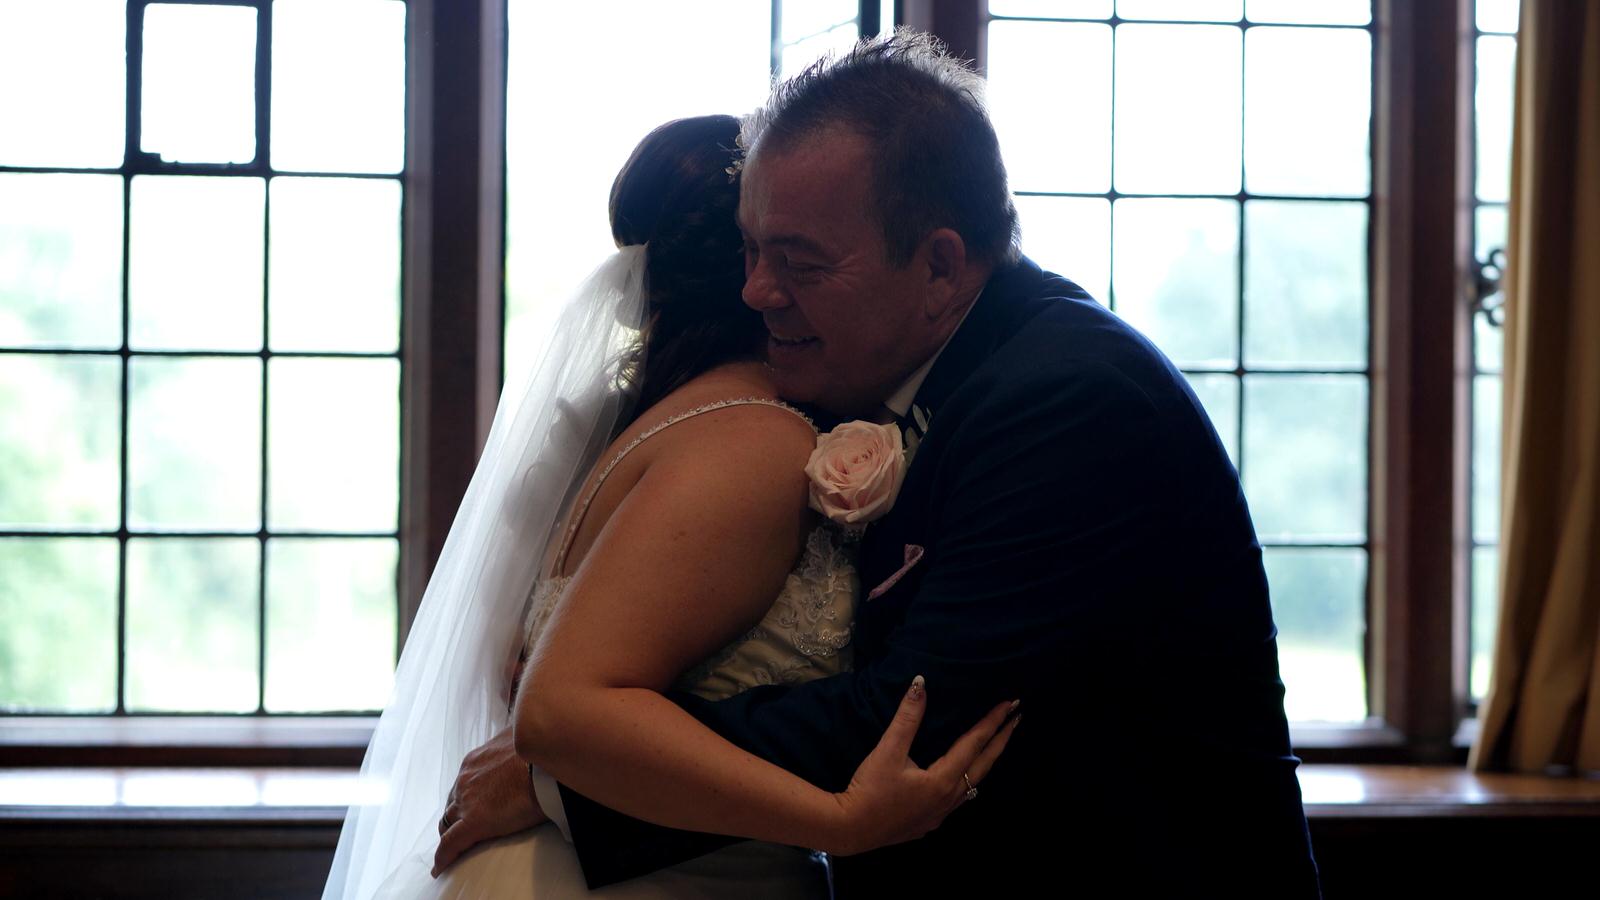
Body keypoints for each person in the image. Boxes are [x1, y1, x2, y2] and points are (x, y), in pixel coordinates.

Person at [519, 32, 1324, 898]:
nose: (756, 291)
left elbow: (914, 713)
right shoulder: (909, 374)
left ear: (940, 266)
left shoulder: (1071, 400)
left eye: (799, 262)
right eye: (750, 249)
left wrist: (584, 776)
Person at [322, 113, 1016, 900]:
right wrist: (839, 820)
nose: (770, 281)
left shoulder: (663, 418)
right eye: (779, 253)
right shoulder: (754, 442)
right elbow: (558, 713)